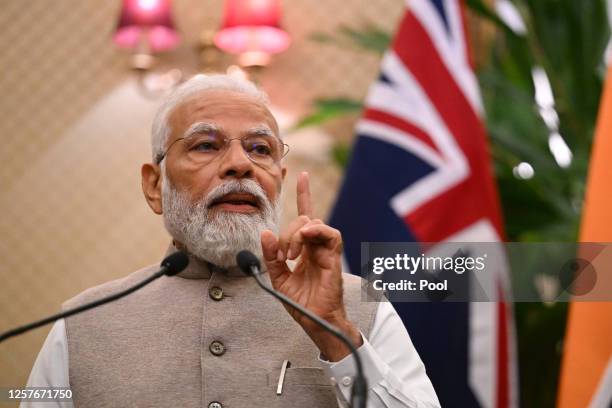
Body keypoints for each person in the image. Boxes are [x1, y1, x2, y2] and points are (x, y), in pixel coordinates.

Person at [24, 74, 440, 408]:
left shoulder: (360, 307)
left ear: (279, 178)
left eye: (261, 149)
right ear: (154, 186)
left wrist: (333, 331)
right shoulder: (79, 325)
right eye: (206, 145)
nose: (240, 165)